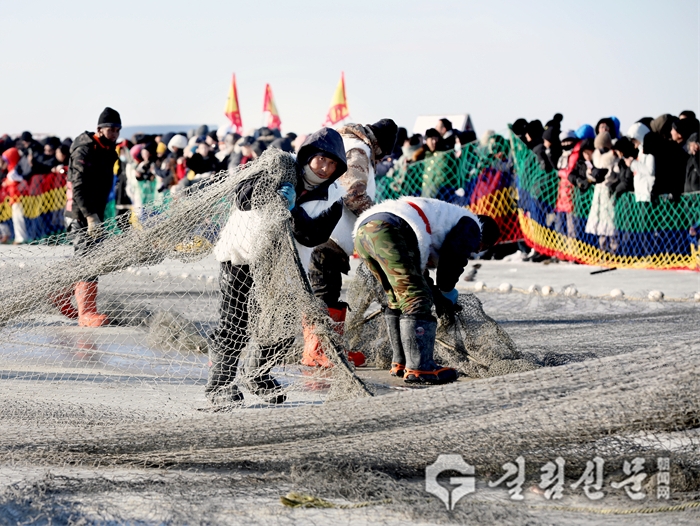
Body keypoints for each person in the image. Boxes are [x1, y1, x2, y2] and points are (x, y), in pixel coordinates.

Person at [209, 127, 348, 407]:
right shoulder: (277, 166)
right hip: (243, 255)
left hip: (285, 268)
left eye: (333, 164)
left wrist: (293, 209)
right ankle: (220, 384)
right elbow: (242, 197)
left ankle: (257, 375)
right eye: (321, 159)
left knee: (281, 327)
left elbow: (314, 235)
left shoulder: (333, 196)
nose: (325, 168)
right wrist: (272, 194)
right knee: (235, 322)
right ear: (309, 155)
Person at [353, 197, 500, 384]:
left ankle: (401, 362)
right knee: (417, 299)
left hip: (366, 231)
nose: (474, 252)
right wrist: (447, 291)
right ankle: (420, 367)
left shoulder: (444, 220)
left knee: (398, 298)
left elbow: (422, 277)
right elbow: (453, 258)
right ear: (483, 239)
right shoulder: (472, 226)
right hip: (390, 229)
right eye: (480, 248)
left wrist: (437, 295)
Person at [302, 119, 398, 369]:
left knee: (327, 289)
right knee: (324, 290)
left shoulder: (346, 141)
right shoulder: (359, 149)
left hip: (324, 231)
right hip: (330, 234)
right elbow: (353, 192)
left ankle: (327, 347)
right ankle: (319, 350)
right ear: (379, 145)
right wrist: (379, 220)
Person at [60, 107, 121, 326]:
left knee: (90, 258)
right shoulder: (85, 149)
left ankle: (59, 292)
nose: (114, 133)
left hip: (95, 212)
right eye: (111, 129)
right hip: (80, 213)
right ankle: (86, 312)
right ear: (100, 129)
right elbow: (78, 186)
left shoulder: (108, 149)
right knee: (89, 260)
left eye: (117, 129)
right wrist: (90, 216)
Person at [585, 132, 617, 252]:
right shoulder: (595, 156)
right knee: (600, 224)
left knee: (610, 222)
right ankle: (602, 249)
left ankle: (614, 250)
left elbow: (613, 175)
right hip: (598, 193)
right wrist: (591, 173)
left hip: (608, 192)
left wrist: (604, 177)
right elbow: (590, 172)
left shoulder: (613, 158)